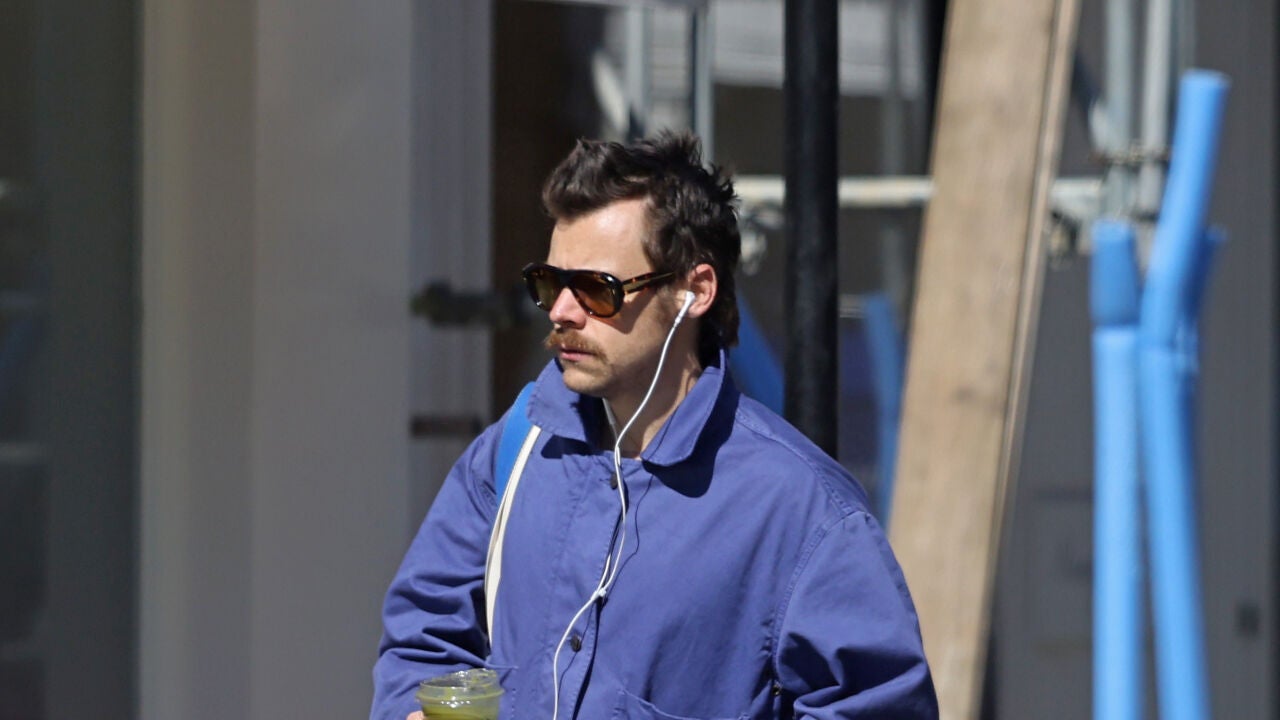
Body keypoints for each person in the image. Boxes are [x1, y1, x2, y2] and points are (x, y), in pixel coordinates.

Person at [371, 132, 937, 720]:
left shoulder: (800, 508)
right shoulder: (515, 450)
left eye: (596, 289)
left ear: (695, 291)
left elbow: (877, 706)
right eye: (550, 284)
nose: (562, 311)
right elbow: (422, 639)